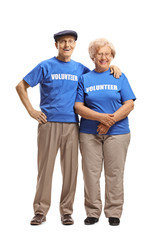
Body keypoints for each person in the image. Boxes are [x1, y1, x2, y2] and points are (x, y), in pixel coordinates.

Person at [16, 31, 121, 226]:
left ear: (74, 45)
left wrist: (113, 66)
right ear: (56, 44)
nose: (67, 45)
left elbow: (99, 72)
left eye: (71, 42)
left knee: (70, 171)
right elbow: (21, 86)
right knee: (45, 169)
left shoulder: (80, 69)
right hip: (48, 124)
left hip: (73, 125)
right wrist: (31, 110)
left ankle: (66, 211)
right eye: (63, 41)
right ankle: (40, 211)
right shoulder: (45, 66)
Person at [74, 38, 136, 226]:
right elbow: (78, 107)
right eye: (100, 53)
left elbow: (129, 104)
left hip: (118, 132)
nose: (104, 57)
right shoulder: (85, 78)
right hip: (88, 133)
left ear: (112, 56)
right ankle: (92, 212)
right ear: (93, 56)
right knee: (90, 173)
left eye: (108, 54)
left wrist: (110, 121)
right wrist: (101, 118)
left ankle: (114, 212)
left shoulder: (119, 76)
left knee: (114, 173)